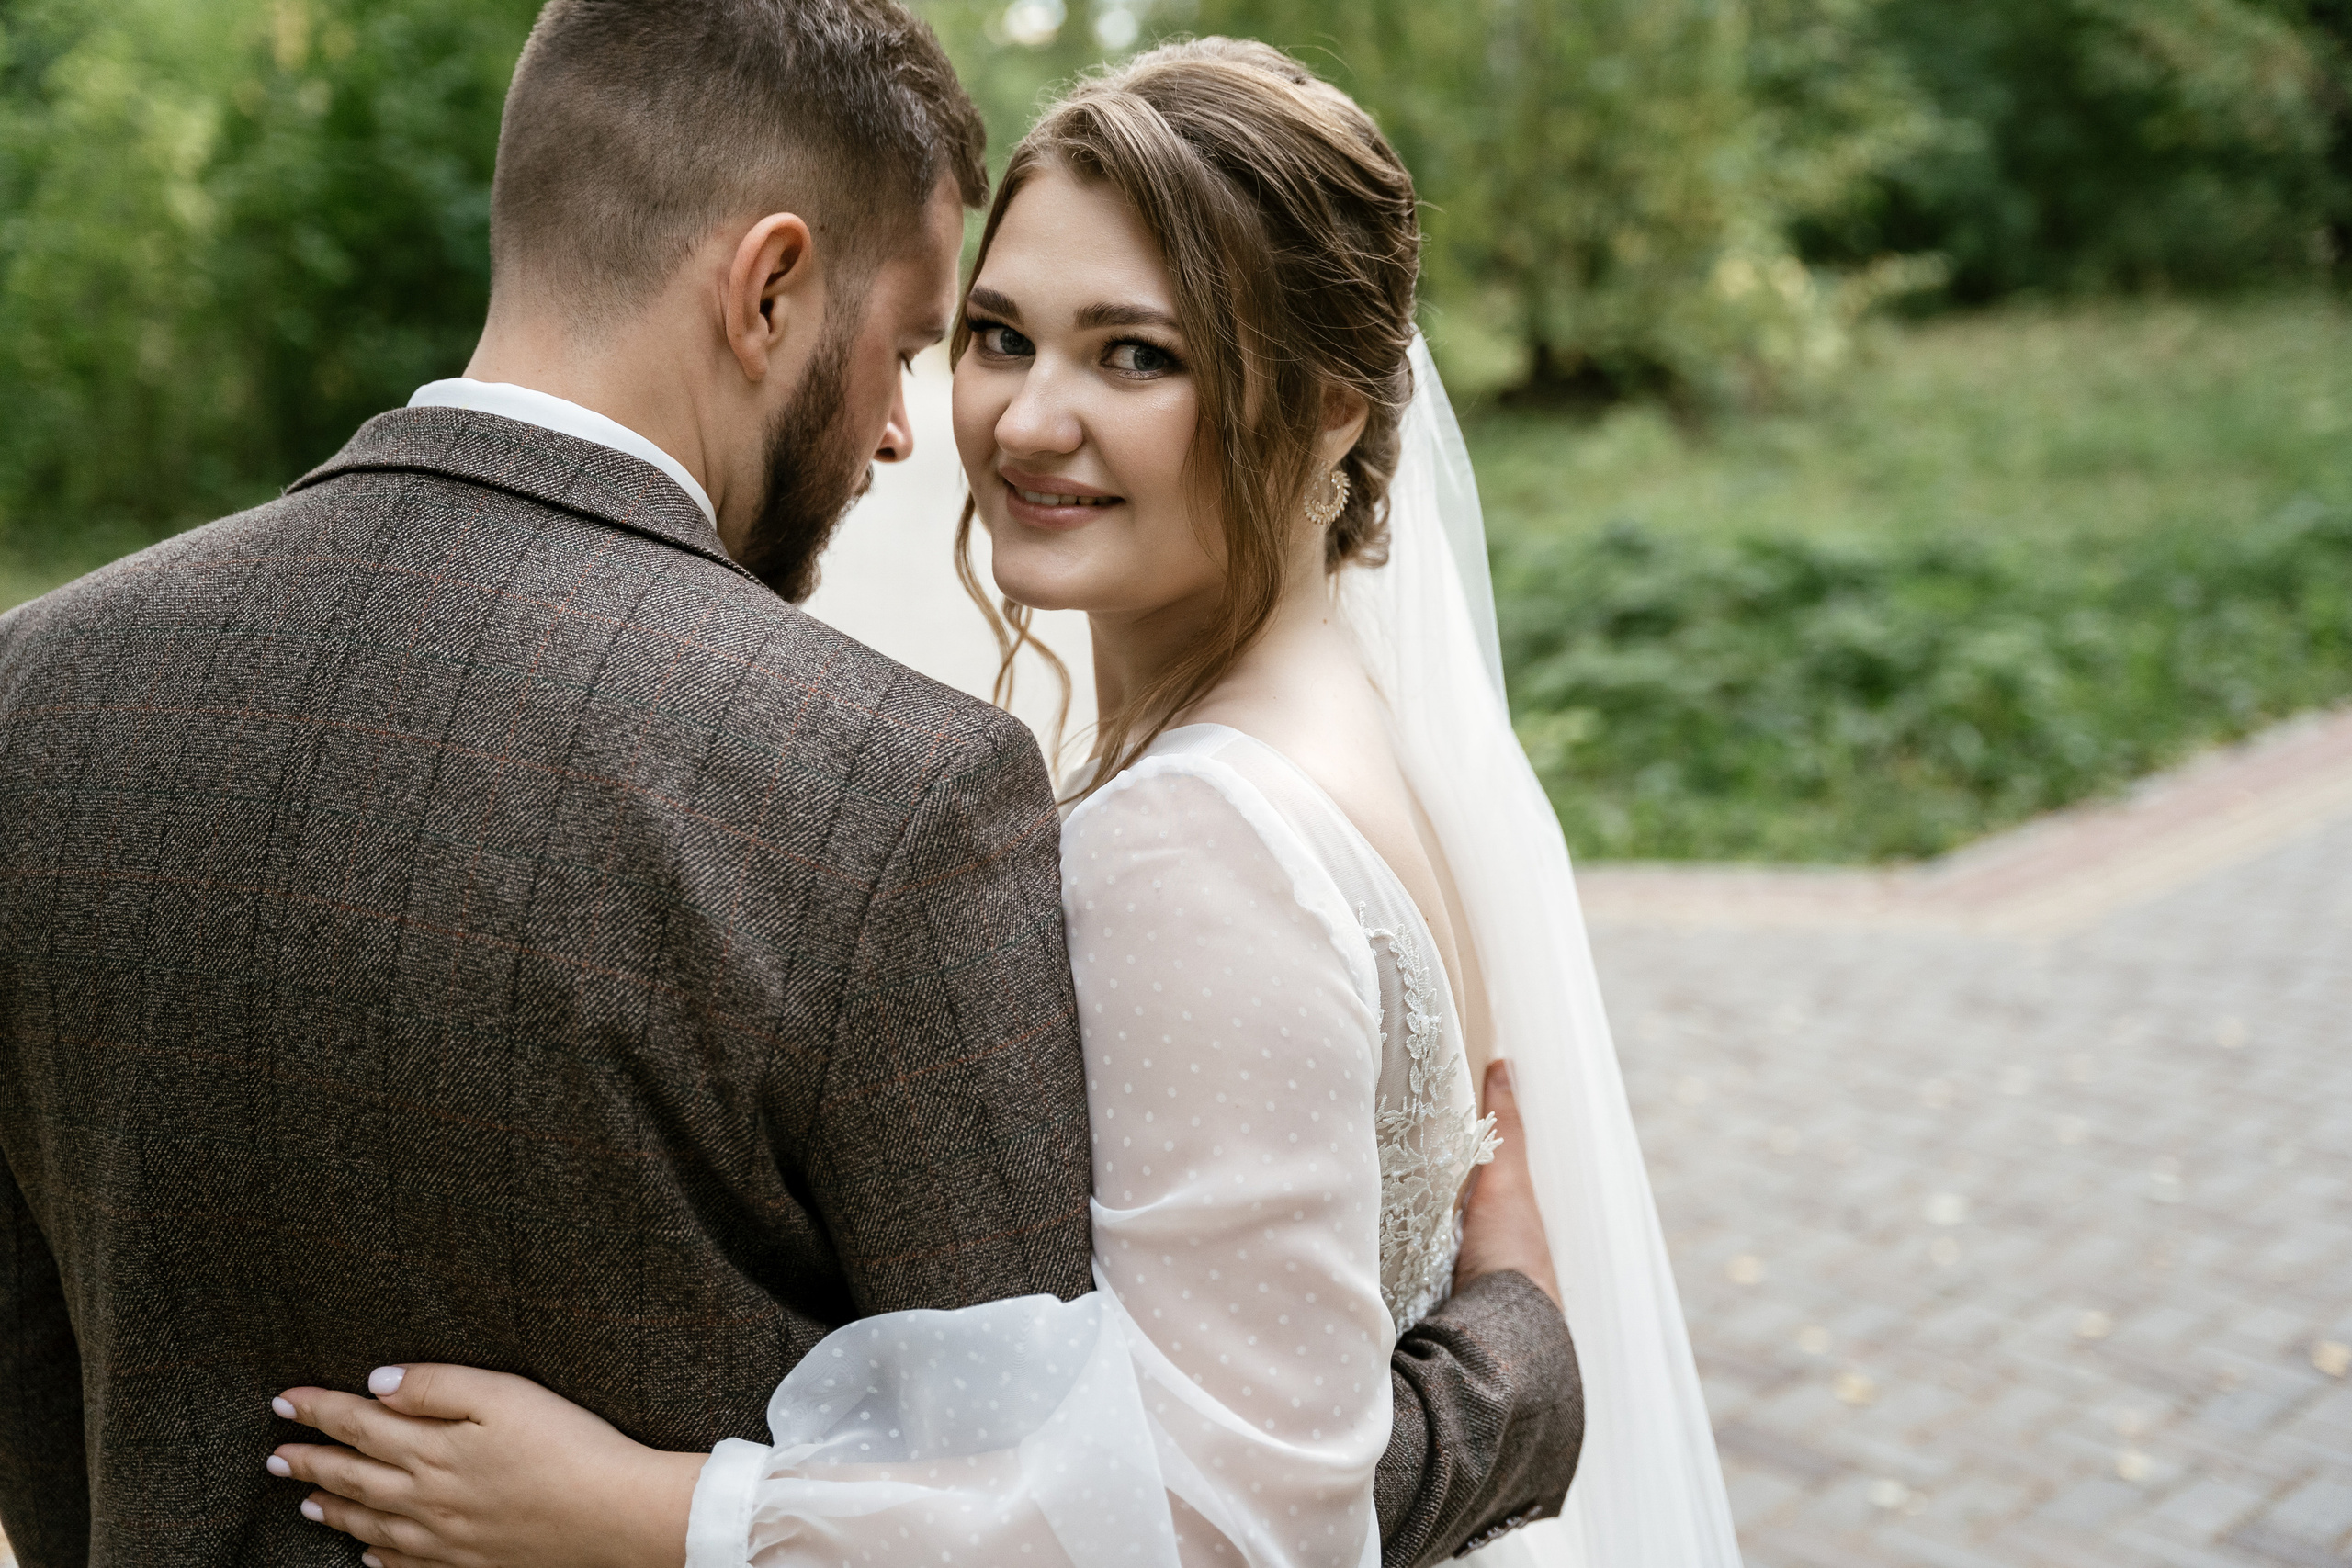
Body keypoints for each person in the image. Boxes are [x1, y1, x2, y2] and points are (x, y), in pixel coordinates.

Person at [0, 6, 1579, 1568]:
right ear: (767, 288)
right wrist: (1506, 1373)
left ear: (1327, 406)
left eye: (1138, 354)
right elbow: (1070, 1465)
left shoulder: (32, 696)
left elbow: (1193, 1506)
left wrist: (647, 1510)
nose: (956, 427)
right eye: (968, 339)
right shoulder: (914, 793)